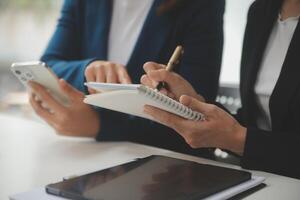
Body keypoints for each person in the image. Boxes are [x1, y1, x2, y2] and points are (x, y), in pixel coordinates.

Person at [29, 0, 225, 155]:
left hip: (166, 167)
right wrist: (86, 69)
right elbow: (47, 65)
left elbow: (199, 116)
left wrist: (101, 126)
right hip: (86, 155)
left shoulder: (200, 4)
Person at [141, 0, 300, 179]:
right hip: (263, 179)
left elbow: (244, 136)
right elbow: (252, 122)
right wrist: (195, 103)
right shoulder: (261, 11)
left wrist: (237, 139)